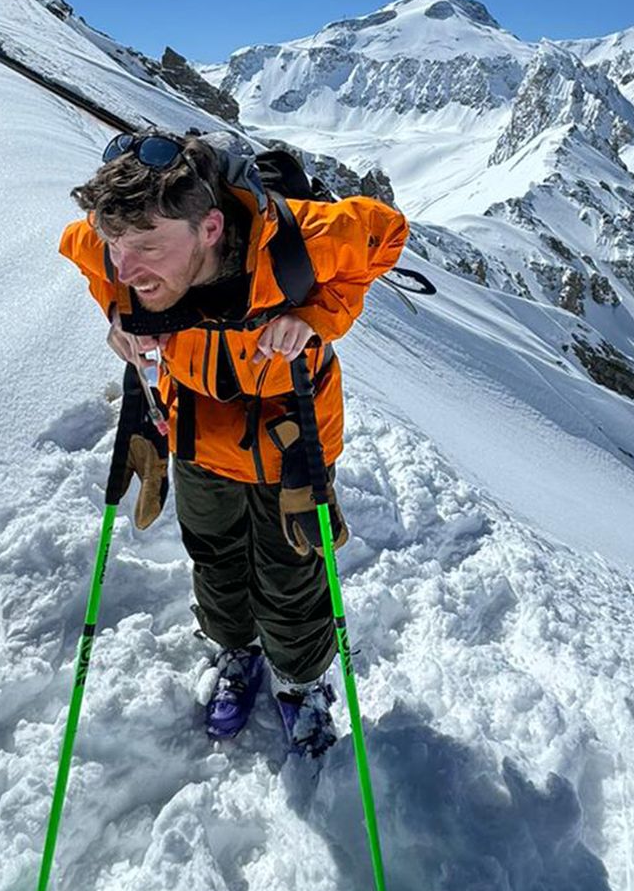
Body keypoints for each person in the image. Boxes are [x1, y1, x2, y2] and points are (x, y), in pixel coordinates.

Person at [59, 131, 409, 755]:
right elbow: (84, 253)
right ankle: (236, 650)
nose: (127, 266)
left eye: (146, 247)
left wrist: (315, 318)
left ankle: (301, 682)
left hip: (290, 441)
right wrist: (117, 314)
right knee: (213, 553)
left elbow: (384, 233)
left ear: (212, 227)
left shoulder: (295, 242)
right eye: (117, 245)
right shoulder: (120, 254)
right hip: (196, 433)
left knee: (290, 571)